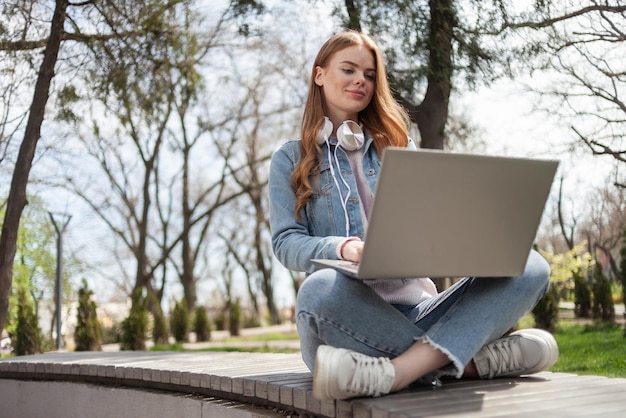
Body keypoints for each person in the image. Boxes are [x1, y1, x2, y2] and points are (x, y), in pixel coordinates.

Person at [268, 30, 558, 401]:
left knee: (531, 265)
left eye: (370, 74)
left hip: (423, 309)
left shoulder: (398, 144)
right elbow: (285, 242)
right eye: (348, 69)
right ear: (320, 74)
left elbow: (434, 223)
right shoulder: (290, 159)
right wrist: (343, 248)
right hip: (347, 318)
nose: (361, 80)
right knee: (316, 290)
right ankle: (471, 362)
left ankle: (396, 373)